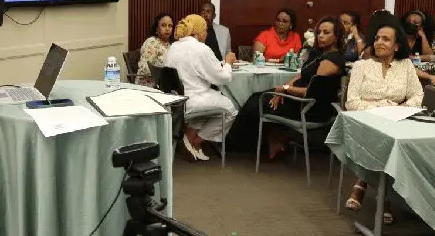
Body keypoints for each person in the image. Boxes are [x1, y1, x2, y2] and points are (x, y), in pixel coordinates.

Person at [228, 16, 346, 158]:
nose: (320, 36)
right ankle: (268, 141)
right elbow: (301, 75)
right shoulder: (318, 53)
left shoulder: (331, 60)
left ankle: (239, 145)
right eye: (319, 32)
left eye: (326, 33)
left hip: (310, 107)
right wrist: (285, 86)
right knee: (257, 97)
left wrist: (284, 90)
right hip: (296, 98)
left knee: (257, 103)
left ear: (337, 36)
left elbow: (312, 92)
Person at [344, 14, 423, 225]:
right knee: (382, 139)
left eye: (386, 39)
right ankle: (385, 196)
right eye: (377, 38)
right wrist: (381, 108)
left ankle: (363, 184)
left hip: (396, 120)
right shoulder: (362, 66)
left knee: (395, 141)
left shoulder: (405, 65)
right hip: (364, 121)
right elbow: (351, 102)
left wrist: (403, 108)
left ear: (397, 46)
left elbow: (417, 95)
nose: (379, 42)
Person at [164, 14, 238, 161]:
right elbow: (222, 78)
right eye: (205, 31)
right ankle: (196, 142)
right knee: (230, 109)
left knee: (212, 106)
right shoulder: (200, 49)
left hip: (176, 101)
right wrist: (228, 63)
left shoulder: (174, 46)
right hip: (193, 100)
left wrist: (221, 66)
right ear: (198, 32)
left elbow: (200, 70)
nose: (207, 34)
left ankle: (188, 139)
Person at [136, 13, 174, 87]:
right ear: (157, 28)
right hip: (148, 85)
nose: (167, 29)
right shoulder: (152, 42)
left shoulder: (170, 45)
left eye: (170, 26)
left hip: (163, 84)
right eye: (163, 25)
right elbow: (145, 68)